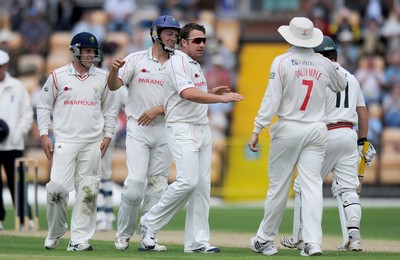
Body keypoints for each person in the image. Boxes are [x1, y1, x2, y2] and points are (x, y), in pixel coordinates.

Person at [139, 22, 244, 254]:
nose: (202, 44)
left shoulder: (194, 64)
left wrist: (211, 93)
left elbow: (191, 92)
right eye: (197, 40)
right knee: (188, 181)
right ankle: (150, 222)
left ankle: (197, 242)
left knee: (202, 188)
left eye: (204, 40)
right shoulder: (177, 61)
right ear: (183, 42)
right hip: (182, 127)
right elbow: (187, 93)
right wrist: (220, 100)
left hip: (201, 128)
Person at [247, 17, 347, 257]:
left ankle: (265, 240)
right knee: (312, 187)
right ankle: (313, 243)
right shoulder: (324, 63)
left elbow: (271, 99)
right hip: (316, 128)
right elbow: (341, 85)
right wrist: (329, 65)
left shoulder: (281, 61)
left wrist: (257, 129)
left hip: (289, 127)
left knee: (279, 186)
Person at [280, 36, 376, 253]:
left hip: (325, 134)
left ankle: (301, 237)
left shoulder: (319, 74)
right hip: (349, 136)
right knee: (348, 189)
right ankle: (354, 238)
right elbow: (363, 112)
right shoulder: (352, 77)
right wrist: (363, 141)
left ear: (320, 56)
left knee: (304, 186)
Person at [36, 32, 117, 251]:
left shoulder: (103, 77)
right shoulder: (58, 76)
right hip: (65, 141)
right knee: (57, 190)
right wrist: (44, 134)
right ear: (75, 51)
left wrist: (108, 135)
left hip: (92, 143)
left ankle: (79, 239)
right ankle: (55, 231)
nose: (91, 55)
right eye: (87, 51)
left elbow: (110, 110)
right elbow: (43, 106)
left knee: (88, 191)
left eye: (93, 51)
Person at [107, 15, 181, 252]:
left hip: (166, 129)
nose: (173, 37)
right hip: (138, 127)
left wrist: (159, 109)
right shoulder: (136, 59)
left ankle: (149, 237)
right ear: (155, 34)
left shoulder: (180, 62)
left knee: (158, 186)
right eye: (168, 33)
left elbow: (185, 96)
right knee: (136, 183)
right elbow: (114, 86)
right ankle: (123, 234)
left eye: (175, 33)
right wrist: (113, 70)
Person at [0, 50, 34, 231]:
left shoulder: (17, 86)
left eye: (1, 67)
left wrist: (18, 133)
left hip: (13, 144)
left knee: (18, 182)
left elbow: (27, 113)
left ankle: (24, 217)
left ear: (6, 66)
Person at [96, 85, 128, 232]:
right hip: (110, 131)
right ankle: (107, 216)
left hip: (96, 131)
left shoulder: (97, 79)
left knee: (95, 174)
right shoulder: (115, 81)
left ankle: (102, 216)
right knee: (105, 174)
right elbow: (130, 102)